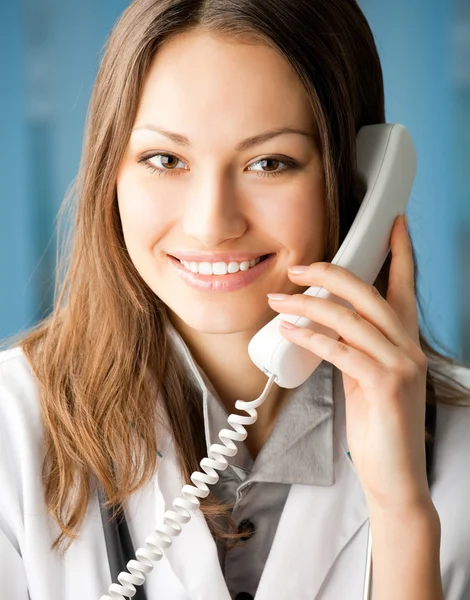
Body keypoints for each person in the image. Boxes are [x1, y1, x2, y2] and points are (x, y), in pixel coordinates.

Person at [1, 0, 469, 598]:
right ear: (109, 172)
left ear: (359, 185)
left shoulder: (459, 446)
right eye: (165, 160)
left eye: (269, 162)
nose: (210, 224)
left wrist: (403, 512)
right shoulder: (11, 431)